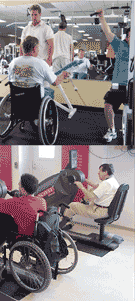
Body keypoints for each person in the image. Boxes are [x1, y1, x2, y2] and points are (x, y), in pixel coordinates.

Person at [0, 173, 47, 250]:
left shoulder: (17, 203)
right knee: (8, 219)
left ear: (23, 189)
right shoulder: (42, 201)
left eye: (20, 184)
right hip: (33, 233)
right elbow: (27, 204)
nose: (18, 184)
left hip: (20, 236)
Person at [96, 8, 131, 143]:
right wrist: (102, 17)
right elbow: (107, 32)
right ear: (126, 37)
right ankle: (112, 130)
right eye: (129, 35)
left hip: (131, 86)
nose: (130, 38)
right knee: (108, 105)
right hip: (118, 85)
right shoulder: (120, 45)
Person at [60, 164, 119, 228]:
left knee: (72, 205)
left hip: (99, 211)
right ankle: (68, 222)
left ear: (105, 172)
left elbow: (90, 198)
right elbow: (95, 186)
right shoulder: (112, 181)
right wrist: (83, 179)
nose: (98, 173)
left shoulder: (106, 183)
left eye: (99, 172)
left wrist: (81, 187)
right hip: (106, 211)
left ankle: (61, 226)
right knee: (91, 190)